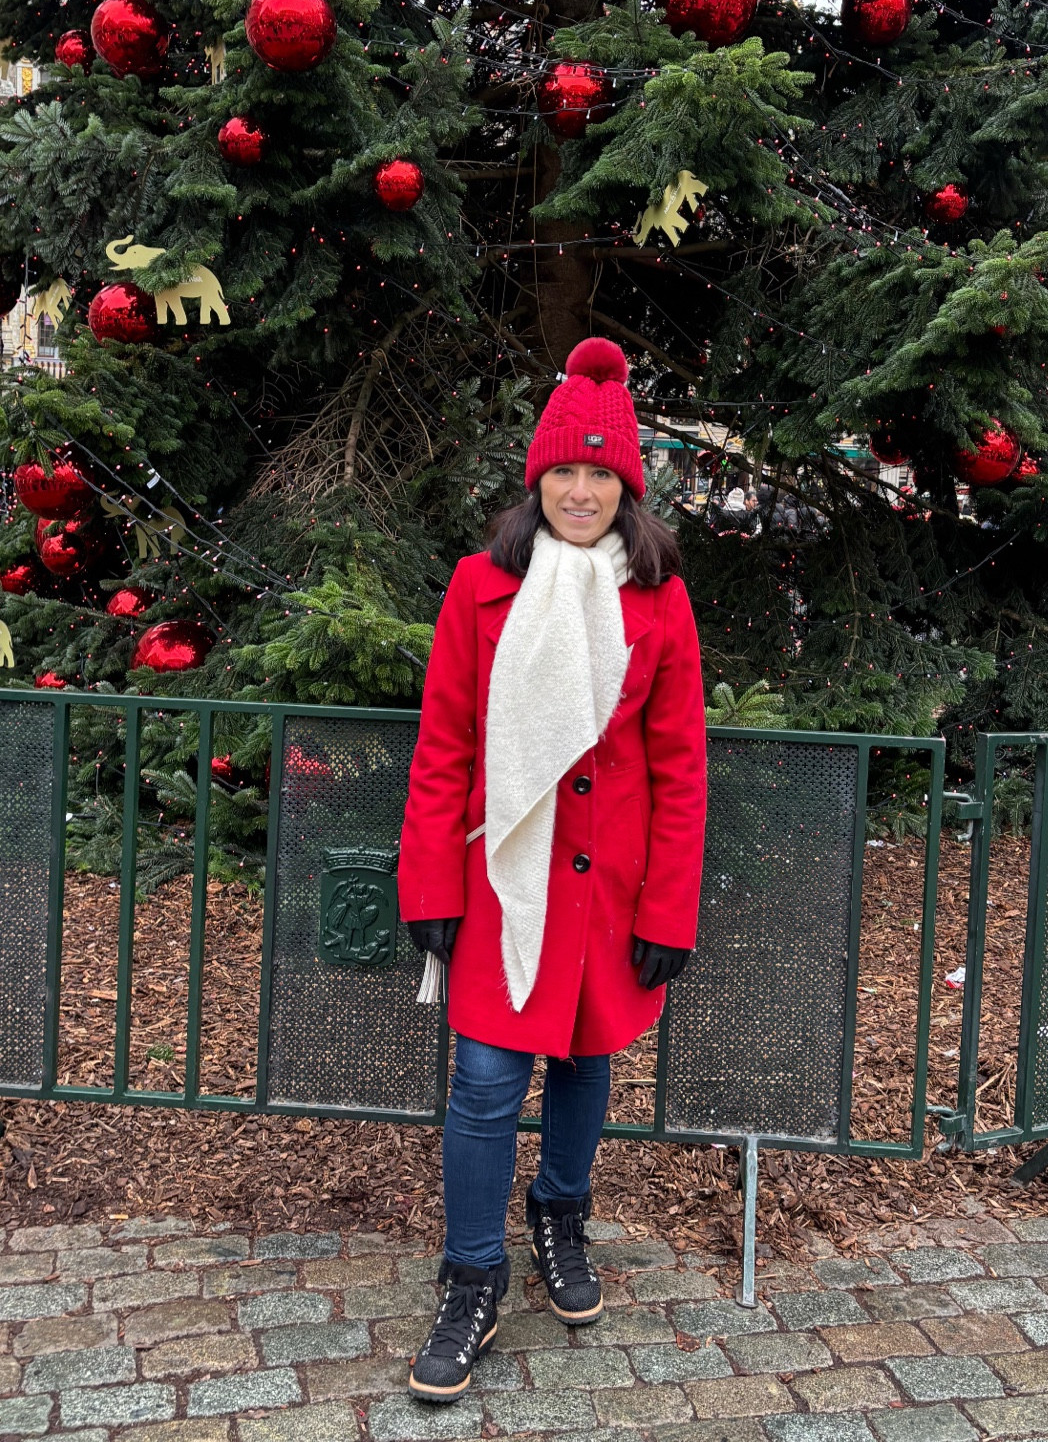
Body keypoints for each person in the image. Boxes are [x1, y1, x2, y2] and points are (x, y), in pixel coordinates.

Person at [397, 337, 708, 1404]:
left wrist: (670, 903)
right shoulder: (481, 586)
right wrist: (430, 887)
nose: (581, 491)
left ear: (628, 486)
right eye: (565, 473)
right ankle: (472, 1275)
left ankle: (560, 1211)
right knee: (486, 1083)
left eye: (601, 473)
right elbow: (442, 747)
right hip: (502, 882)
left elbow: (680, 766)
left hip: (611, 886)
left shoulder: (661, 600)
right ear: (540, 481)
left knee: (583, 1063)